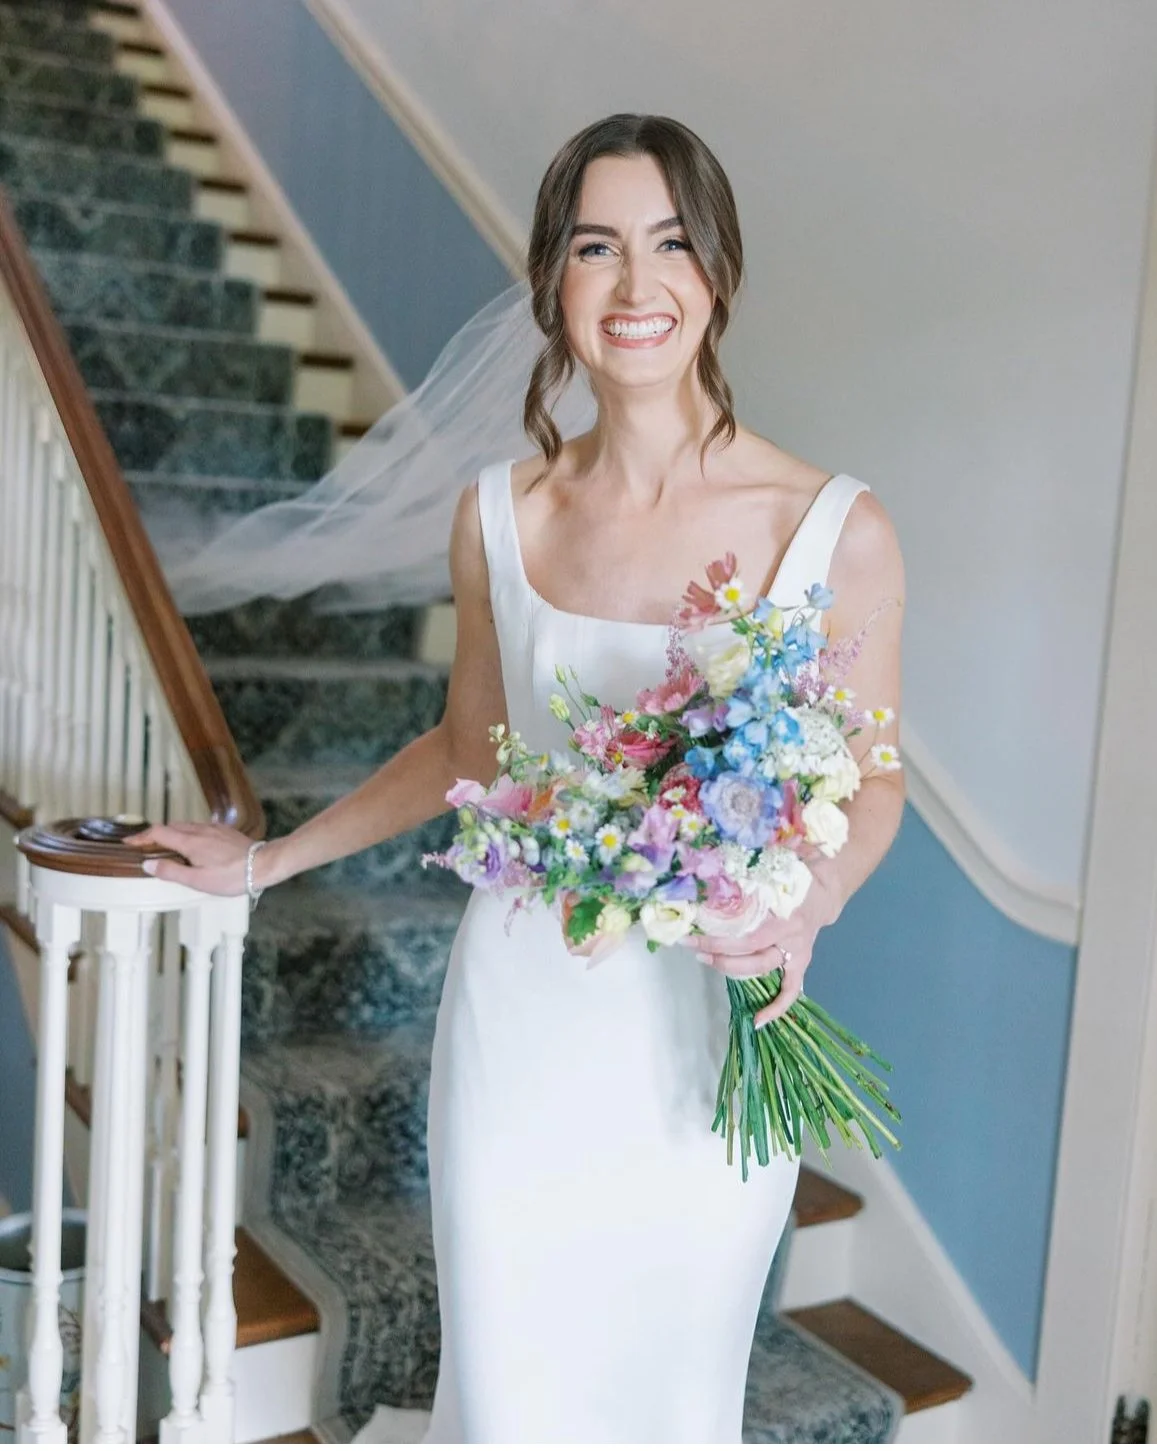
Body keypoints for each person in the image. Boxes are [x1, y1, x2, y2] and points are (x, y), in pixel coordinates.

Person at [128, 113, 905, 1443]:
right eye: (595, 246)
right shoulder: (502, 514)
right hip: (519, 1024)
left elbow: (873, 777)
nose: (634, 282)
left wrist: (805, 902)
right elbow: (469, 751)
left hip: (706, 1032)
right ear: (553, 281)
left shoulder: (830, 528)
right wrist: (263, 861)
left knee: (671, 1395)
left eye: (668, 242)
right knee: (511, 1395)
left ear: (719, 269)